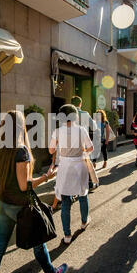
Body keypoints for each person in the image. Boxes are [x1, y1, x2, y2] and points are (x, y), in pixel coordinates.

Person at [0, 110, 67, 273]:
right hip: (20, 206)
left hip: (1, 202)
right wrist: (47, 176)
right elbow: (25, 185)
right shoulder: (21, 150)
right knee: (39, 242)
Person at [49, 104, 93, 244]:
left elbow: (51, 150)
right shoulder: (81, 130)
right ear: (75, 116)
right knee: (83, 195)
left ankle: (67, 236)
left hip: (65, 166)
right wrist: (83, 153)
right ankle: (84, 222)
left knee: (66, 201)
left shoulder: (57, 131)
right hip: (79, 165)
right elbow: (90, 147)